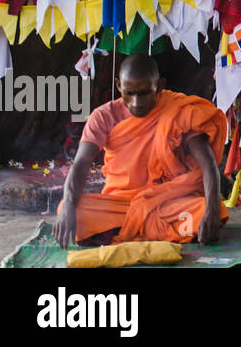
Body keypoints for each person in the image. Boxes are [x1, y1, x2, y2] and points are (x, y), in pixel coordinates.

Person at [56, 54, 226, 248]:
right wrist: (69, 205)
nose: (136, 102)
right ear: (119, 86)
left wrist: (210, 212)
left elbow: (208, 164)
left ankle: (122, 233)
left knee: (212, 210)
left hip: (165, 203)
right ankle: (158, 233)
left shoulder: (177, 111)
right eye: (129, 93)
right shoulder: (104, 117)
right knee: (70, 211)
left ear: (160, 86)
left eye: (144, 93)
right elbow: (80, 164)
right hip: (118, 205)